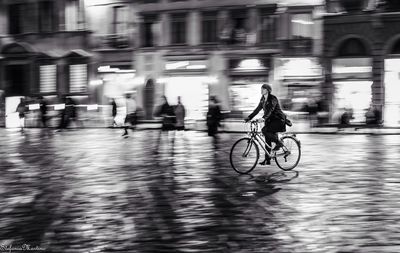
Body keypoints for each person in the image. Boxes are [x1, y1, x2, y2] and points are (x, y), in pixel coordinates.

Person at [245, 83, 287, 166]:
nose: (261, 90)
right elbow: (257, 109)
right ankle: (267, 160)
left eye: (263, 89)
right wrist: (249, 118)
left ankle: (279, 143)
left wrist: (263, 118)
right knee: (267, 139)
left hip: (278, 120)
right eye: (261, 88)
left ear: (267, 90)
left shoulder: (273, 98)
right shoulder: (263, 99)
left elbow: (270, 110)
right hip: (270, 121)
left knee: (264, 130)